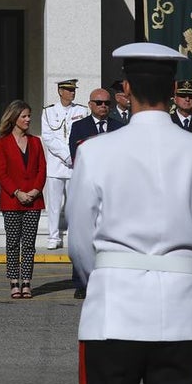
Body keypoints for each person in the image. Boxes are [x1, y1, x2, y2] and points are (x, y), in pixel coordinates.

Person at [67, 42, 192, 384]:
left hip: (113, 308)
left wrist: (108, 273)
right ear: (173, 91)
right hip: (183, 310)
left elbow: (79, 238)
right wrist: (180, 266)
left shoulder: (94, 151)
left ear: (125, 89)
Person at [68, 88, 126, 299]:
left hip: (112, 188)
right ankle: (82, 281)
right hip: (88, 186)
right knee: (83, 235)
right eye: (99, 103)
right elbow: (77, 155)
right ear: (90, 104)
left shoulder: (119, 127)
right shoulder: (79, 127)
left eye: (107, 103)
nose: (103, 106)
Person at [0, 100, 46, 300]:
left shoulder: (35, 142)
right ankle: (14, 282)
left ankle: (27, 282)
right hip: (12, 200)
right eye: (24, 116)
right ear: (14, 118)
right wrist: (17, 192)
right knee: (13, 242)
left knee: (29, 244)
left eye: (29, 116)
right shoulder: (2, 143)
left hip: (33, 199)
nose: (28, 120)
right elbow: (1, 173)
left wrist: (34, 190)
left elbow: (42, 169)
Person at [40, 78, 89, 249]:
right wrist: (67, 155)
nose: (72, 92)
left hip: (75, 165)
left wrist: (73, 156)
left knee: (75, 203)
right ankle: (53, 237)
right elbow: (47, 137)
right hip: (56, 165)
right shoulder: (48, 112)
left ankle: (74, 235)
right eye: (68, 89)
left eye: (73, 90)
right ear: (60, 91)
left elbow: (83, 135)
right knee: (54, 205)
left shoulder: (82, 111)